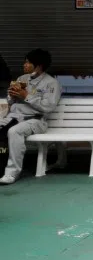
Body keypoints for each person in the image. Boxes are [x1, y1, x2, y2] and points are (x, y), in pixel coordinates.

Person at [1, 49, 61, 184]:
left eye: (28, 62)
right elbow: (11, 102)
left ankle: (11, 173)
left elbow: (48, 107)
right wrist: (11, 95)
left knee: (14, 131)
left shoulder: (51, 83)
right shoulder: (22, 79)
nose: (24, 65)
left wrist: (26, 96)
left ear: (39, 66)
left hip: (35, 120)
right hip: (13, 117)